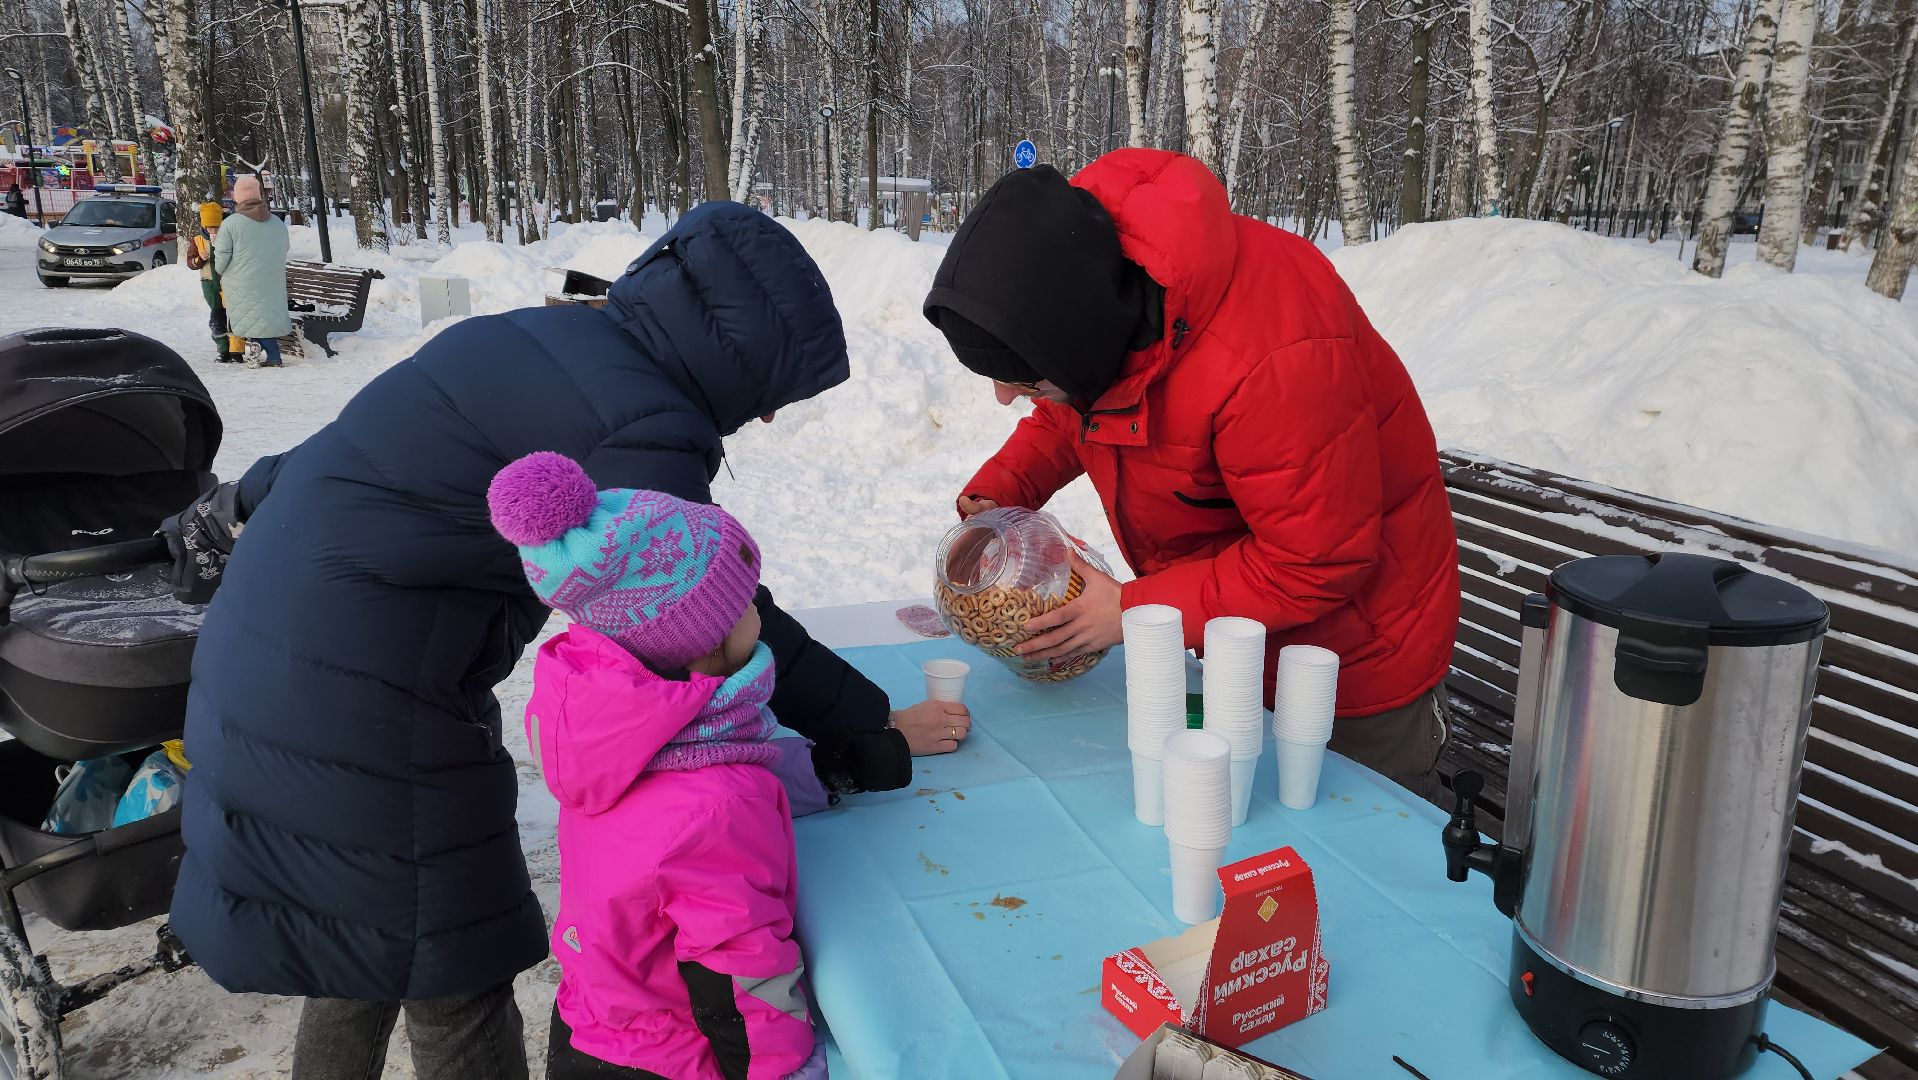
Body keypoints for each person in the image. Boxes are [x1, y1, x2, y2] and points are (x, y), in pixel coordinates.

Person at [163, 202, 969, 1080]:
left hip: (270, 653)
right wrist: (872, 719)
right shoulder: (638, 419)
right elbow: (715, 610)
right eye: (772, 395)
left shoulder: (541, 337)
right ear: (735, 362)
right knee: (450, 964)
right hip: (366, 700)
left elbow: (345, 453)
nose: (766, 421)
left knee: (363, 931)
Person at [923, 150, 1461, 795]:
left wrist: (1129, 610)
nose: (1006, 398)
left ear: (1076, 340)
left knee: (1361, 849)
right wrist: (1003, 489)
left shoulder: (1276, 358)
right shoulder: (1103, 292)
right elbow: (1079, 408)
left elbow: (1315, 561)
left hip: (1351, 664)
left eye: (1022, 380)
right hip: (1238, 635)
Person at [489, 459, 825, 1080]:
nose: (759, 610)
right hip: (675, 1056)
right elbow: (741, 970)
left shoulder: (611, 734)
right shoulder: (717, 800)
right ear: (708, 643)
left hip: (597, 1019)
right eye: (746, 599)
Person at [214, 174, 291, 368]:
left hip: (242, 281)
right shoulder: (276, 222)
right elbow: (285, 247)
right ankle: (270, 353)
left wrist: (220, 270)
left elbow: (221, 256)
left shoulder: (231, 224)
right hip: (271, 278)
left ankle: (270, 352)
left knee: (250, 316)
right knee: (263, 315)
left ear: (238, 197)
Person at [184, 202, 243, 364]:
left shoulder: (229, 236)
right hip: (209, 282)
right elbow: (190, 263)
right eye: (209, 228)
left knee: (234, 316)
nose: (213, 231)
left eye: (216, 227)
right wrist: (199, 259)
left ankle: (237, 351)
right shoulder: (197, 240)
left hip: (229, 281)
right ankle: (223, 350)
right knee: (217, 317)